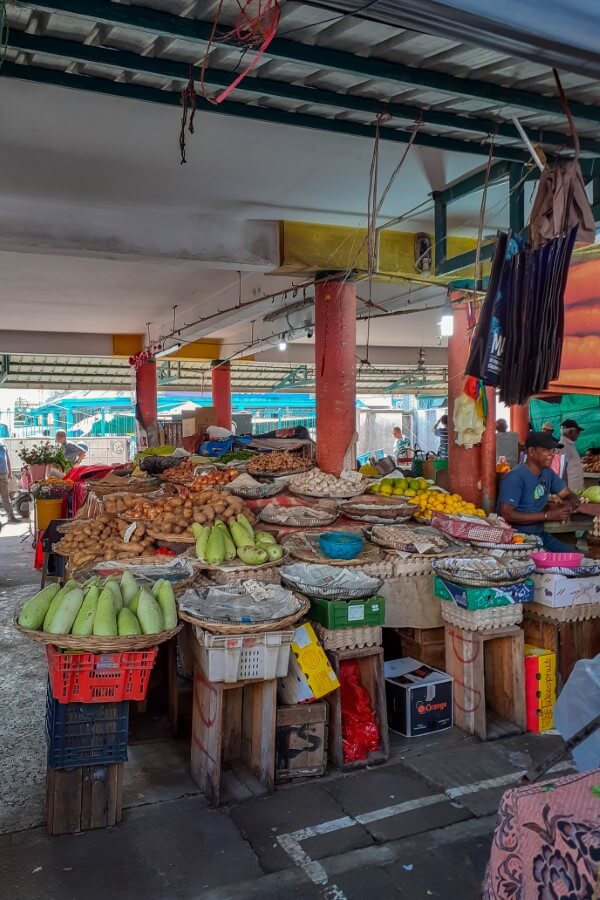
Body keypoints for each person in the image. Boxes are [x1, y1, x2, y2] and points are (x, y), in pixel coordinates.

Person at [497, 432, 600, 552]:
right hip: (518, 538)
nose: (552, 454)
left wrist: (571, 503)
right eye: (546, 450)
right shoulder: (515, 477)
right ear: (531, 451)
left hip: (539, 534)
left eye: (553, 450)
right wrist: (548, 515)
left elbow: (566, 494)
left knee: (578, 557)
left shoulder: (547, 473)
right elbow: (507, 514)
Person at [560, 419, 585, 492]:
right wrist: (565, 490)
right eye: (577, 432)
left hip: (575, 486)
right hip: (571, 488)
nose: (578, 434)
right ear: (571, 432)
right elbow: (561, 470)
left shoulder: (569, 444)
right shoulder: (563, 446)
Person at [0, 439, 17, 522]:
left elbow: (7, 460)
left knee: (5, 496)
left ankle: (11, 515)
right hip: (3, 474)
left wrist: (10, 472)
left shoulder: (3, 445)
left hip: (3, 474)